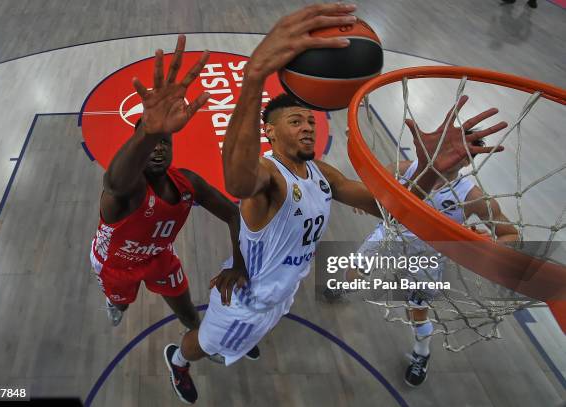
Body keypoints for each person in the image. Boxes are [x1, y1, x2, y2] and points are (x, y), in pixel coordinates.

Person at [162, 3, 507, 404]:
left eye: (310, 121)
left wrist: (432, 169)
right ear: (269, 132)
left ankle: (243, 338)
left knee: (250, 332)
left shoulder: (322, 174)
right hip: (244, 301)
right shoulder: (268, 176)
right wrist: (254, 77)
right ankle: (178, 360)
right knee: (205, 343)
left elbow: (393, 210)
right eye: (295, 121)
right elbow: (237, 181)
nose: (307, 126)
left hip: (280, 292)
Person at [89, 34, 260, 371]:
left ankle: (199, 337)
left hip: (158, 257)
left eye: (164, 141)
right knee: (121, 305)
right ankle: (114, 303)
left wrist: (239, 263)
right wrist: (149, 130)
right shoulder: (127, 192)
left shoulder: (188, 183)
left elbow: (233, 214)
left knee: (186, 307)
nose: (158, 148)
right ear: (139, 144)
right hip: (116, 264)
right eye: (151, 142)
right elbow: (113, 182)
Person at [325, 128, 519, 387]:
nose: (454, 154)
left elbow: (511, 235)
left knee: (417, 310)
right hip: (389, 237)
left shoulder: (474, 198)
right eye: (450, 147)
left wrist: (483, 245)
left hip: (426, 257)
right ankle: (344, 286)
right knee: (355, 270)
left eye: (462, 153)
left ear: (468, 161)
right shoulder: (407, 168)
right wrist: (365, 199)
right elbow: (373, 184)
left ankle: (421, 353)